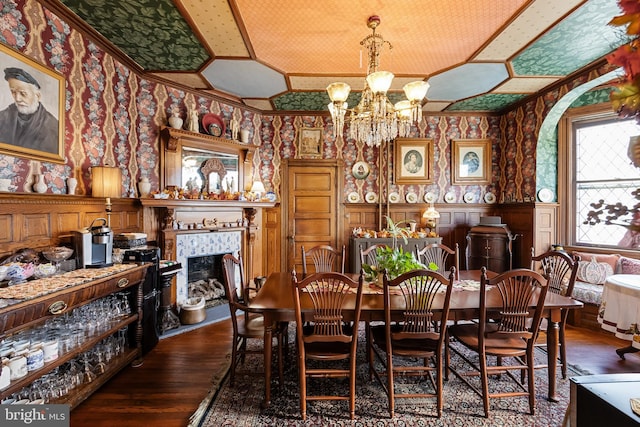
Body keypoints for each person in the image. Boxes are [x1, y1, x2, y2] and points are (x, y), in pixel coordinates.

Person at [0, 67, 58, 154]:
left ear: (37, 96)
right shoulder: (2, 117)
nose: (17, 98)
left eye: (23, 93)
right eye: (13, 92)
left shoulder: (53, 126)